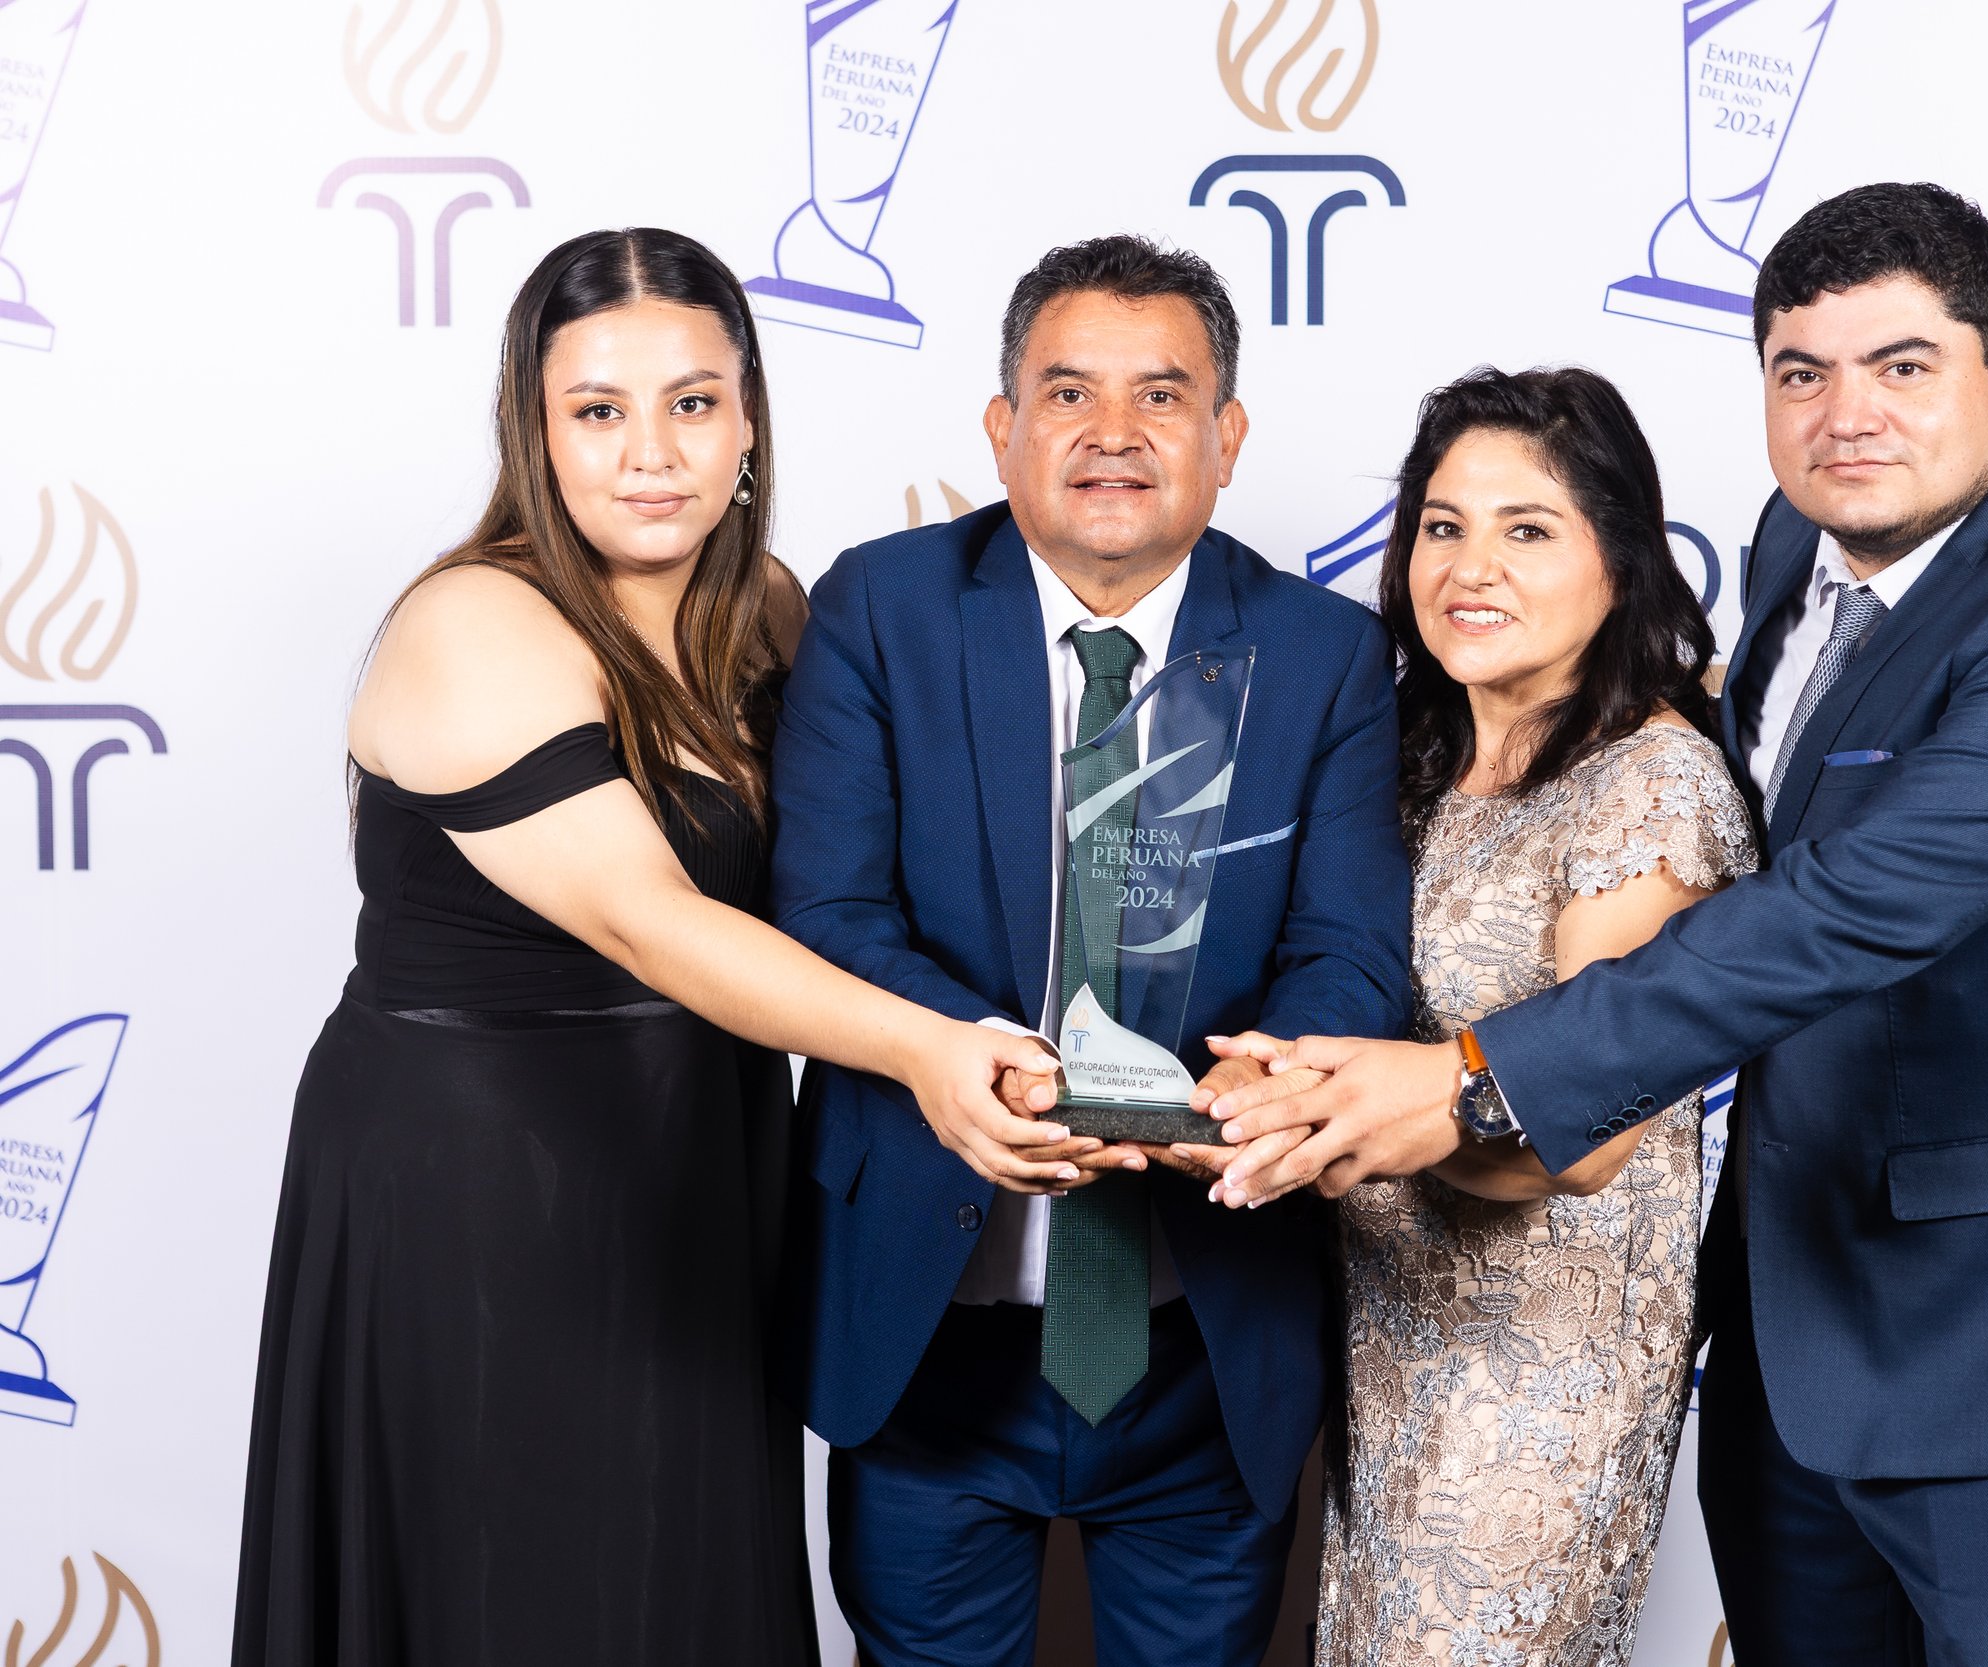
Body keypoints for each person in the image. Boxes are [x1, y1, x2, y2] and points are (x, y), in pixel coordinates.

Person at [1209, 183, 1988, 1666]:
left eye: (1904, 366)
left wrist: (1471, 1083)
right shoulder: (1798, 543)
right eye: (1801, 373)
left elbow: (1847, 909)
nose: (1848, 417)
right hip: (1794, 1310)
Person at [232, 228, 1057, 1667]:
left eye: (692, 402)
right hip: (480, 1188)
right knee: (517, 1585)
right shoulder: (473, 621)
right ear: (536, 433)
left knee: (675, 1577)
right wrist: (935, 1050)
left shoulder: (769, 612)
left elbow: (859, 875)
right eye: (598, 410)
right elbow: (651, 919)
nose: (652, 454)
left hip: (698, 1170)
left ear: (748, 421)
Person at [769, 234, 1409, 1667]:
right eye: (1068, 394)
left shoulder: (1322, 654)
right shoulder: (881, 610)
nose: (1112, 432)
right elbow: (829, 914)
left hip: (1204, 1329)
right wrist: (1004, 1069)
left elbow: (1349, 952)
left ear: (1227, 439)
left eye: (1161, 396)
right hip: (930, 1322)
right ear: (1003, 429)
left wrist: (1252, 1086)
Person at [1289, 367, 1755, 1666]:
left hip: (1539, 1377)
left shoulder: (1649, 782)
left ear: (1622, 561)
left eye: (1528, 529)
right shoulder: (1407, 754)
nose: (1470, 568)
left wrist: (1331, 1129)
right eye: (1442, 526)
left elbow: (1587, 1134)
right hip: (1382, 1335)